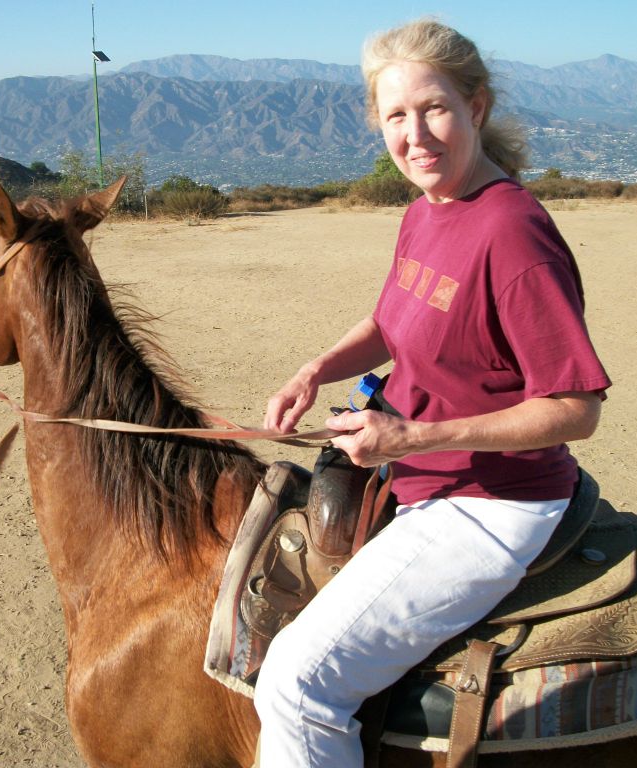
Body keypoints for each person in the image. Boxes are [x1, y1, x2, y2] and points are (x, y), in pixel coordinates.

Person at [254, 18, 611, 767]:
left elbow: (576, 408)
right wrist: (313, 370)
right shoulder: (427, 208)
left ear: (476, 107)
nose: (415, 134)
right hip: (422, 474)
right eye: (395, 115)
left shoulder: (512, 232)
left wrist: (411, 438)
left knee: (294, 683)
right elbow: (393, 320)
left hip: (490, 504)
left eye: (435, 108)